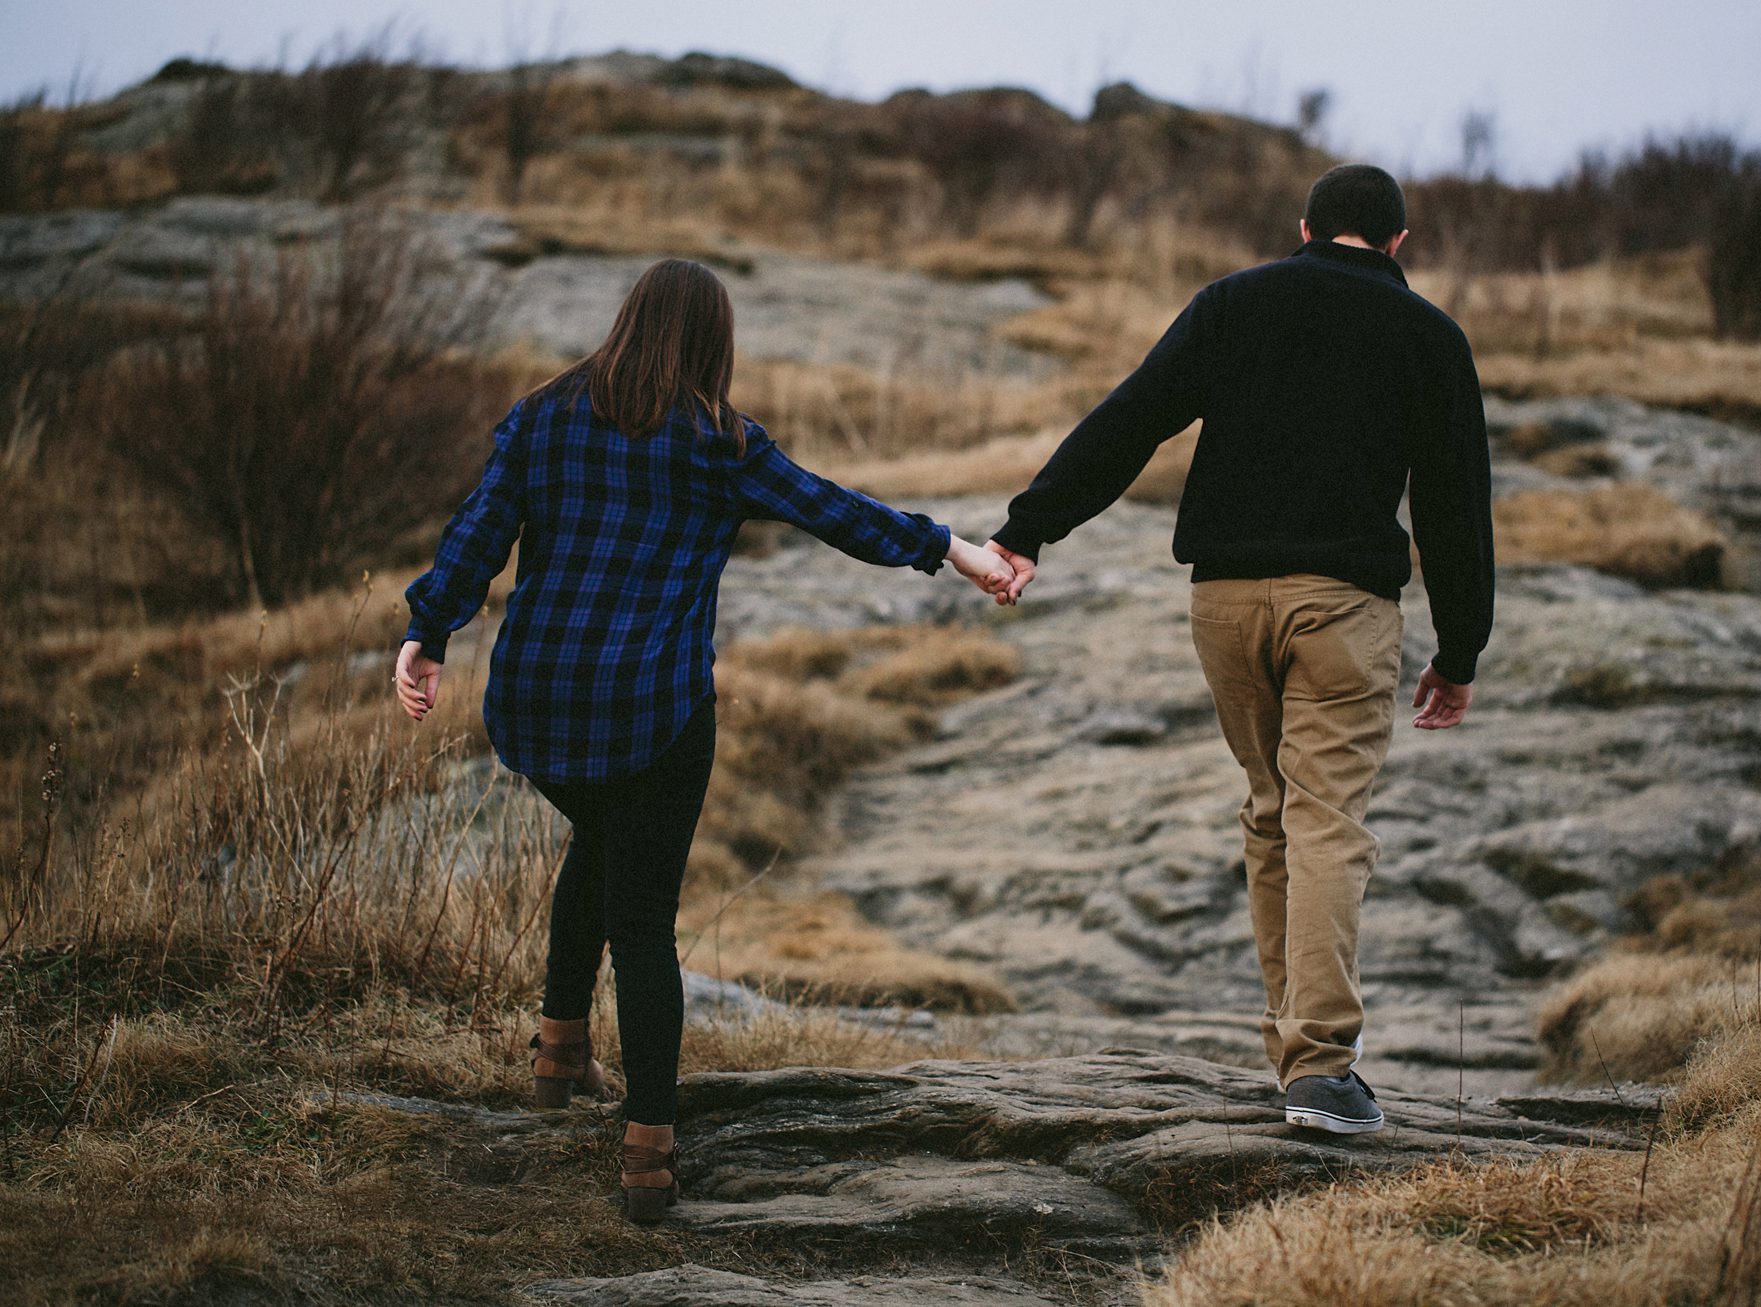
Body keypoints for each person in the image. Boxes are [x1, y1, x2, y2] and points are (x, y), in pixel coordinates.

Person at [391, 258, 1014, 1223]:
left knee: (595, 843)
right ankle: (648, 1155)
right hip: (651, 706)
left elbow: (479, 533)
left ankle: (558, 1060)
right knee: (642, 919)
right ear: (713, 341)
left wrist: (428, 632)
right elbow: (829, 508)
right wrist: (954, 548)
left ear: (627, 318)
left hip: (540, 699)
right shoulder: (717, 440)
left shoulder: (543, 414)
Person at [981, 163, 1494, 1134]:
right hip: (1342, 608)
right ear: (1398, 242)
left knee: (1270, 812)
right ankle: (1318, 1066)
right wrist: (1459, 649)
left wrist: (1026, 530)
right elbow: (1453, 501)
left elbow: (1132, 418)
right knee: (1326, 821)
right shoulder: (1428, 334)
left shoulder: (1233, 303)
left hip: (1222, 600)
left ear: (1305, 225)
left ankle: (1290, 1051)